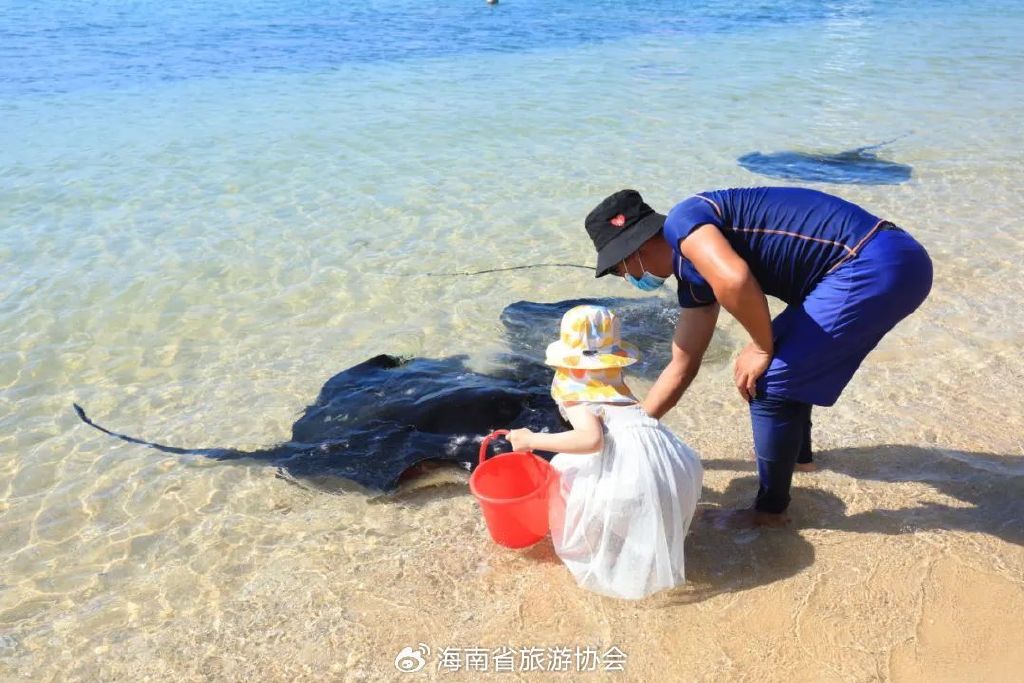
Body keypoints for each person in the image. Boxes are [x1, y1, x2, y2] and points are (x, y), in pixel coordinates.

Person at [583, 187, 933, 528]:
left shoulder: (683, 222)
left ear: (634, 249)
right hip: (879, 259)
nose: (627, 277)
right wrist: (634, 429)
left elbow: (736, 280)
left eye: (618, 269)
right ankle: (799, 460)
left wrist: (760, 347)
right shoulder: (693, 275)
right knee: (788, 362)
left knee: (766, 378)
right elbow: (683, 363)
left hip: (873, 260)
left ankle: (769, 512)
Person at [508, 304, 703, 600]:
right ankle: (646, 539)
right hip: (675, 467)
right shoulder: (614, 380)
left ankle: (590, 543)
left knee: (562, 467)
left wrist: (531, 440)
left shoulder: (571, 386)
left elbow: (591, 440)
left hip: (633, 481)